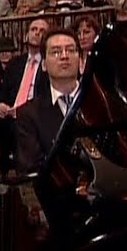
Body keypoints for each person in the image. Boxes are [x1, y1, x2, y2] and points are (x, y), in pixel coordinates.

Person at [16, 27, 81, 175]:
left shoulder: (99, 103)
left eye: (71, 50)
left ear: (80, 58)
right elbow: (30, 168)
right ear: (44, 64)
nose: (65, 56)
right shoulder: (29, 114)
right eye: (56, 52)